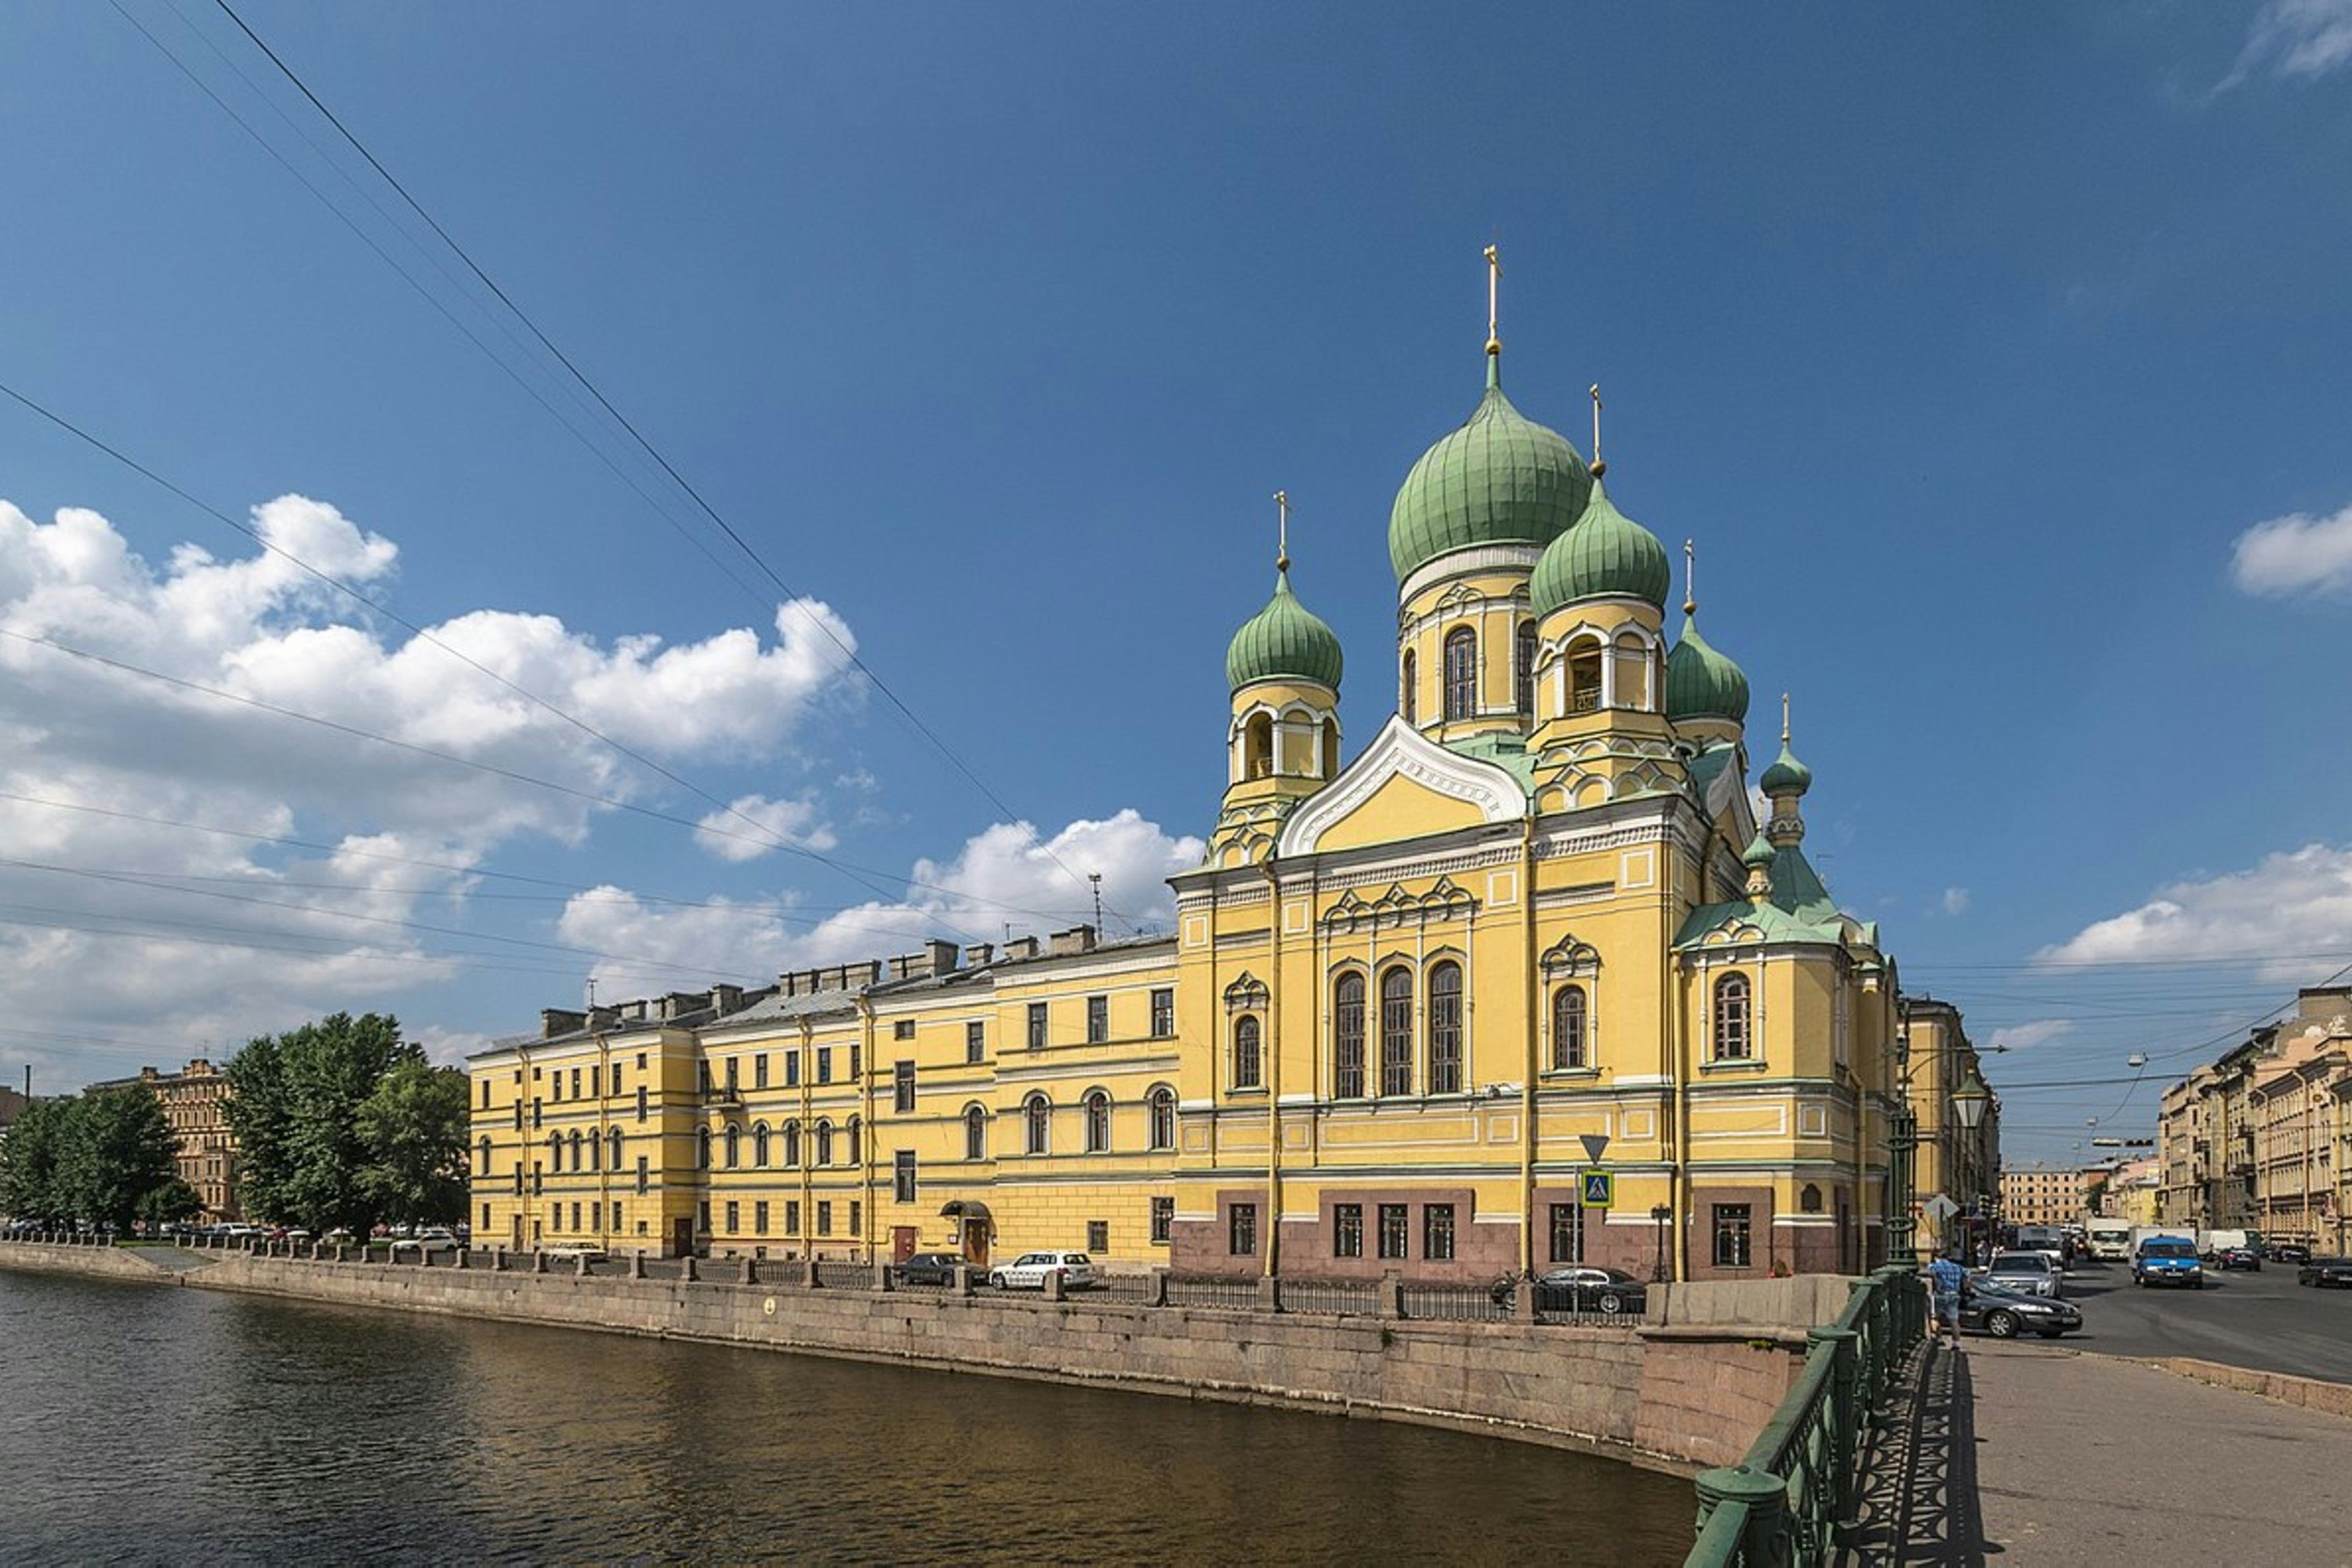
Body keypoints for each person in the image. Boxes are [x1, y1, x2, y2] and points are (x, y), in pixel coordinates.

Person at [1927, 1250, 1968, 1341]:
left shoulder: (1935, 1266)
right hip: (1954, 1294)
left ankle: (1939, 1338)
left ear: (1937, 1258)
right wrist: (1965, 1287)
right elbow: (1967, 1274)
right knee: (1954, 1321)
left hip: (1940, 1294)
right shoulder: (1957, 1267)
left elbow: (1930, 1272)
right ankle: (1956, 1343)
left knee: (1935, 1318)